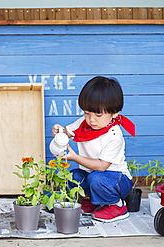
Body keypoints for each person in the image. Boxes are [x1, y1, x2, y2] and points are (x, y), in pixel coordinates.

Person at [52, 76, 136, 223]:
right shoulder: (83, 123)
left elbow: (102, 166)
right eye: (86, 113)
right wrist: (59, 131)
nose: (91, 120)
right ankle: (92, 201)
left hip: (116, 180)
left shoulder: (114, 135)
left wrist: (76, 157)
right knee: (74, 176)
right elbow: (67, 132)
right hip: (93, 175)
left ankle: (117, 206)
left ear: (114, 113)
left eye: (98, 115)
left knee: (95, 178)